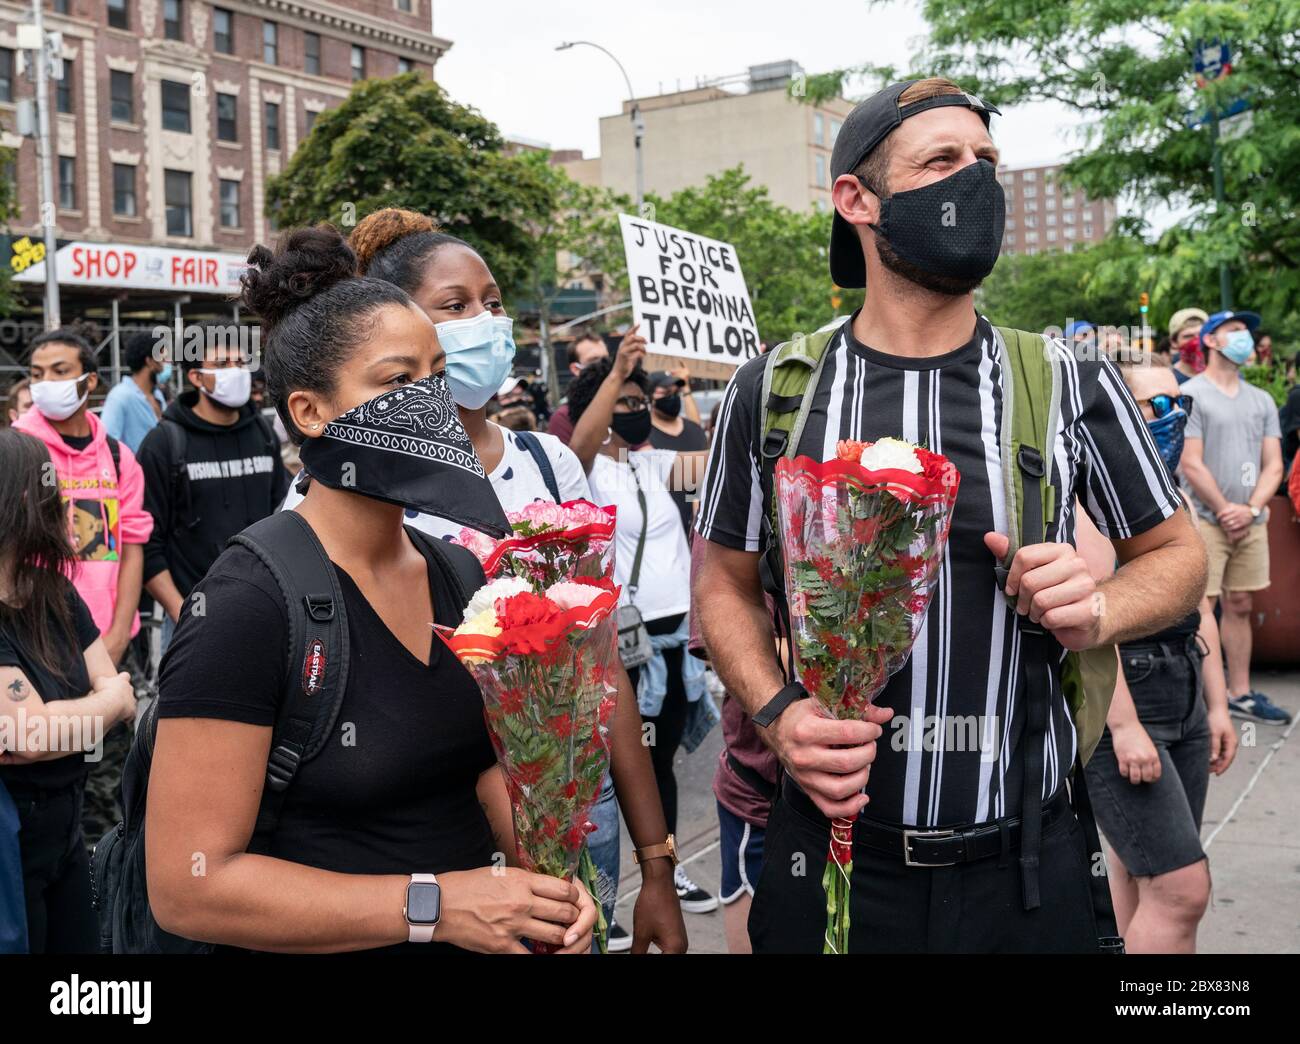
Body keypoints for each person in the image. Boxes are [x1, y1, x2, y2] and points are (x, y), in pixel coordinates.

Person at [694, 77, 1207, 954]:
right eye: (942, 161)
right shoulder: (776, 391)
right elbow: (723, 584)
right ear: (855, 198)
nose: (977, 182)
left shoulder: (1067, 381)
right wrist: (781, 716)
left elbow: (1176, 552)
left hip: (1027, 869)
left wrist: (1099, 608)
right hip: (832, 863)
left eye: (988, 162)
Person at [145, 225, 596, 954]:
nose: (427, 403)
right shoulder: (248, 604)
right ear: (309, 412)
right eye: (394, 383)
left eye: (437, 376)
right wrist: (438, 907)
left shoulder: (460, 574)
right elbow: (188, 887)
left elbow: (486, 770)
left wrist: (555, 884)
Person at [285, 207, 686, 955]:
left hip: (572, 813)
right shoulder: (344, 497)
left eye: (494, 302)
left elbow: (598, 669)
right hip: (426, 843)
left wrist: (656, 861)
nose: (485, 322)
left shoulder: (546, 464)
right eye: (455, 306)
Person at [1080, 354, 1238, 953]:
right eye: (1156, 404)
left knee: (1138, 868)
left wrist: (1218, 708)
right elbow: (1089, 626)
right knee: (1181, 888)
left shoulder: (1171, 496)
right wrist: (1122, 726)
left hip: (1184, 684)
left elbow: (1201, 608)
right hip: (1129, 692)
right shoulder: (1087, 499)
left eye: (1180, 402)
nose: (1172, 416)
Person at [567, 347, 718, 916]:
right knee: (627, 769)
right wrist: (614, 375)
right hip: (629, 647)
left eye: (640, 403)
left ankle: (666, 873)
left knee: (663, 762)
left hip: (676, 640)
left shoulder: (648, 464)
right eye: (625, 404)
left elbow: (714, 455)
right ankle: (605, 897)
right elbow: (580, 444)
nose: (636, 412)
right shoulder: (584, 471)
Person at [0, 428, 138, 953]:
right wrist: (102, 706)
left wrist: (66, 718)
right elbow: (29, 733)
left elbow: (121, 693)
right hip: (14, 832)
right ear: (21, 501)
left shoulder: (54, 592)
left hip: (67, 824)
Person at [15, 327, 153, 849]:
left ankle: (104, 898)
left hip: (115, 647)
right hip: (37, 647)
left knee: (113, 782)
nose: (46, 383)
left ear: (90, 381)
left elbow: (134, 544)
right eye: (36, 374)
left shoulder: (117, 457)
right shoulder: (20, 452)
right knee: (47, 778)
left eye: (60, 371)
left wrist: (117, 633)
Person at [137, 338, 291, 653]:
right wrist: (180, 611)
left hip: (266, 614)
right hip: (195, 620)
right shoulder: (164, 443)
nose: (235, 373)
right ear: (196, 377)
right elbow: (146, 543)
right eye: (222, 365)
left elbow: (283, 515)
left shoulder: (262, 435)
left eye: (240, 364)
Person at [1178, 309, 1290, 725]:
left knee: (1240, 603)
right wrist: (1225, 510)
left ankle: (1239, 692)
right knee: (1201, 605)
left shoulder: (1261, 400)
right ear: (1210, 340)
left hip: (1251, 521)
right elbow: (1191, 463)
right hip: (1206, 519)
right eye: (1235, 330)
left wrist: (1252, 509)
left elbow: (1274, 464)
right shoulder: (1192, 393)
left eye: (1247, 331)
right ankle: (1202, 697)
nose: (1245, 337)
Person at [647, 370, 709, 536]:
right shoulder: (643, 437)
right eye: (666, 393)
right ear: (649, 396)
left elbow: (700, 484)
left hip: (698, 529)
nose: (672, 397)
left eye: (676, 392)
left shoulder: (694, 429)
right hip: (661, 531)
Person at [100, 332, 168, 452]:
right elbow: (107, 443)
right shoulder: (120, 396)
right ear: (150, 361)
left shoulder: (158, 395)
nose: (165, 364)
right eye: (162, 358)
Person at [545, 330, 610, 444]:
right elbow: (572, 460)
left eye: (605, 358)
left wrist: (620, 457)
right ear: (576, 369)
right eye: (594, 360)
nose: (603, 365)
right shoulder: (564, 417)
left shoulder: (620, 406)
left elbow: (628, 450)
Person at [1169, 308, 1208, 385]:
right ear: (1174, 342)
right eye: (1188, 336)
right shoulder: (1168, 380)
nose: (1196, 341)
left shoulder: (1226, 375)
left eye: (1201, 334)